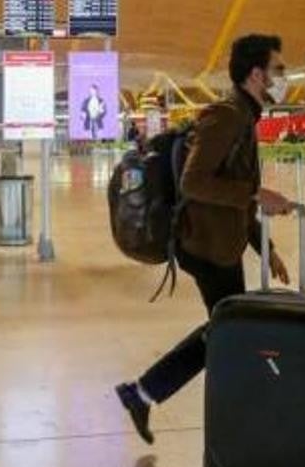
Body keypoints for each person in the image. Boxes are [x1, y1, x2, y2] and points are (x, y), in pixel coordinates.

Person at [114, 34, 295, 445]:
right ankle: (157, 395)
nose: (284, 76)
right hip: (207, 246)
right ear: (256, 74)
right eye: (278, 69)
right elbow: (195, 182)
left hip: (220, 242)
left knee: (228, 328)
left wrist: (267, 249)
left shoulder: (244, 116)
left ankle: (143, 393)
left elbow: (237, 192)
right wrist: (256, 195)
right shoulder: (227, 115)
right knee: (232, 329)